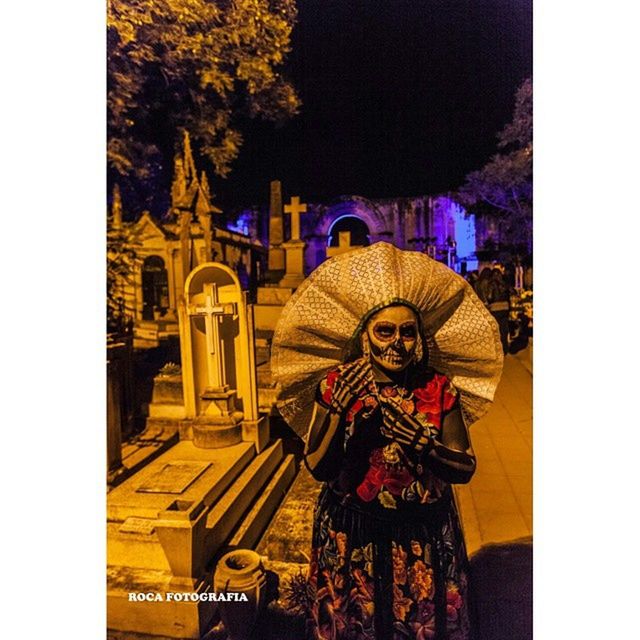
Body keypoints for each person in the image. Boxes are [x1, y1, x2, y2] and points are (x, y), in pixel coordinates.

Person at [271, 243, 503, 640]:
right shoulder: (337, 383)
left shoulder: (437, 387)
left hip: (421, 541)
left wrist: (422, 444)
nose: (397, 342)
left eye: (408, 332)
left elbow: (465, 467)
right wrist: (337, 413)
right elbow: (319, 468)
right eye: (385, 330)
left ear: (420, 338)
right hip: (351, 536)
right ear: (365, 336)